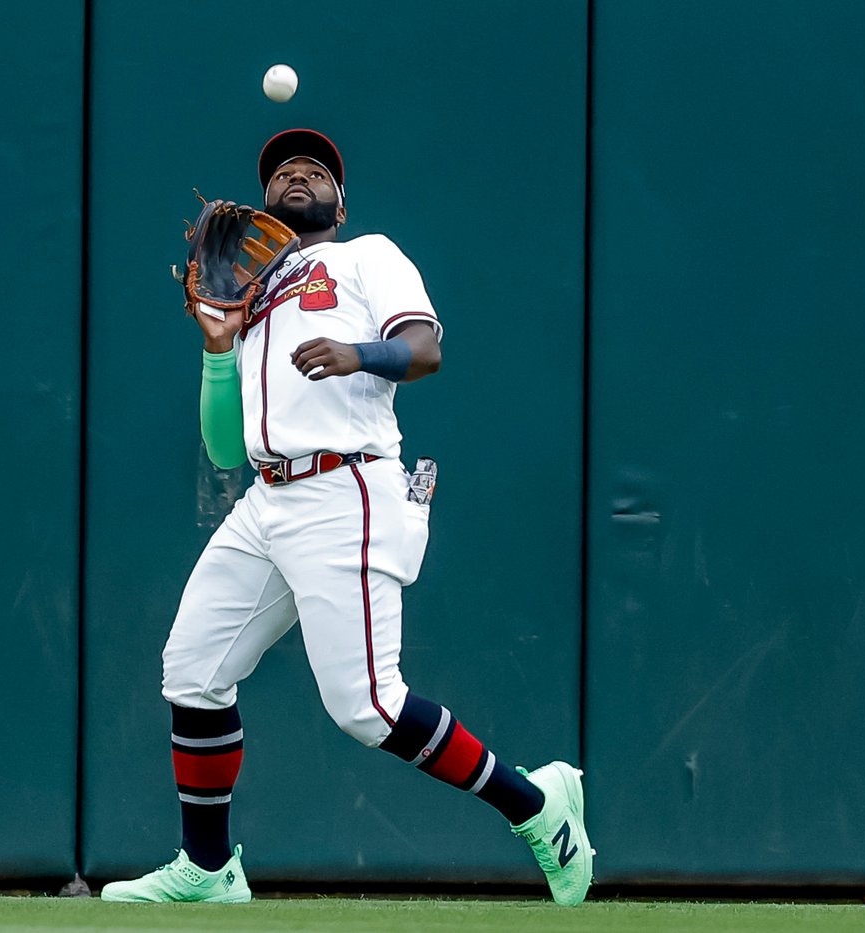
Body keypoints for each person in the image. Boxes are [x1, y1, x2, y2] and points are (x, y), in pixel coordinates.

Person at [100, 129, 593, 905]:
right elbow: (227, 449)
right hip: (267, 498)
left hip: (347, 489)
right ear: (260, 207)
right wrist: (219, 347)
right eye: (283, 170)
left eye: (317, 169)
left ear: (340, 201)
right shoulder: (248, 296)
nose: (299, 172)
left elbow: (424, 349)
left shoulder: (368, 255)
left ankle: (538, 804)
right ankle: (208, 868)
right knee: (191, 670)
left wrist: (358, 353)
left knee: (368, 707)